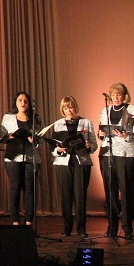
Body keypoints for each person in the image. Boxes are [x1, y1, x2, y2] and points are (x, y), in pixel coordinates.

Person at [98, 82, 134, 238]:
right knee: (110, 191)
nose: (116, 97)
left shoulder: (133, 110)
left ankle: (128, 228)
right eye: (113, 95)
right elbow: (101, 131)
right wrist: (101, 134)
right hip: (107, 153)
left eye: (119, 94)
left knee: (126, 191)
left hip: (125, 153)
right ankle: (112, 227)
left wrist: (126, 135)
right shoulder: (105, 110)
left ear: (124, 96)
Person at [50, 96, 97, 237]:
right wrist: (57, 150)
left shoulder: (86, 122)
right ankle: (67, 228)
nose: (69, 110)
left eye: (70, 107)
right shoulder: (57, 124)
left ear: (75, 107)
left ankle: (81, 229)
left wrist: (88, 146)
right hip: (63, 163)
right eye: (65, 108)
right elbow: (53, 147)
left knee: (80, 196)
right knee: (66, 196)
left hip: (81, 162)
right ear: (62, 110)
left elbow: (94, 144)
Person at [1, 91, 41, 226]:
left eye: (26, 101)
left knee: (30, 189)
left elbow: (40, 139)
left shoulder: (35, 118)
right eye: (20, 100)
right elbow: (2, 137)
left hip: (31, 157)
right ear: (16, 102)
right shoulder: (8, 118)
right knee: (15, 187)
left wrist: (34, 140)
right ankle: (15, 221)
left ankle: (29, 221)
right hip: (13, 157)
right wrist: (10, 136)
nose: (23, 103)